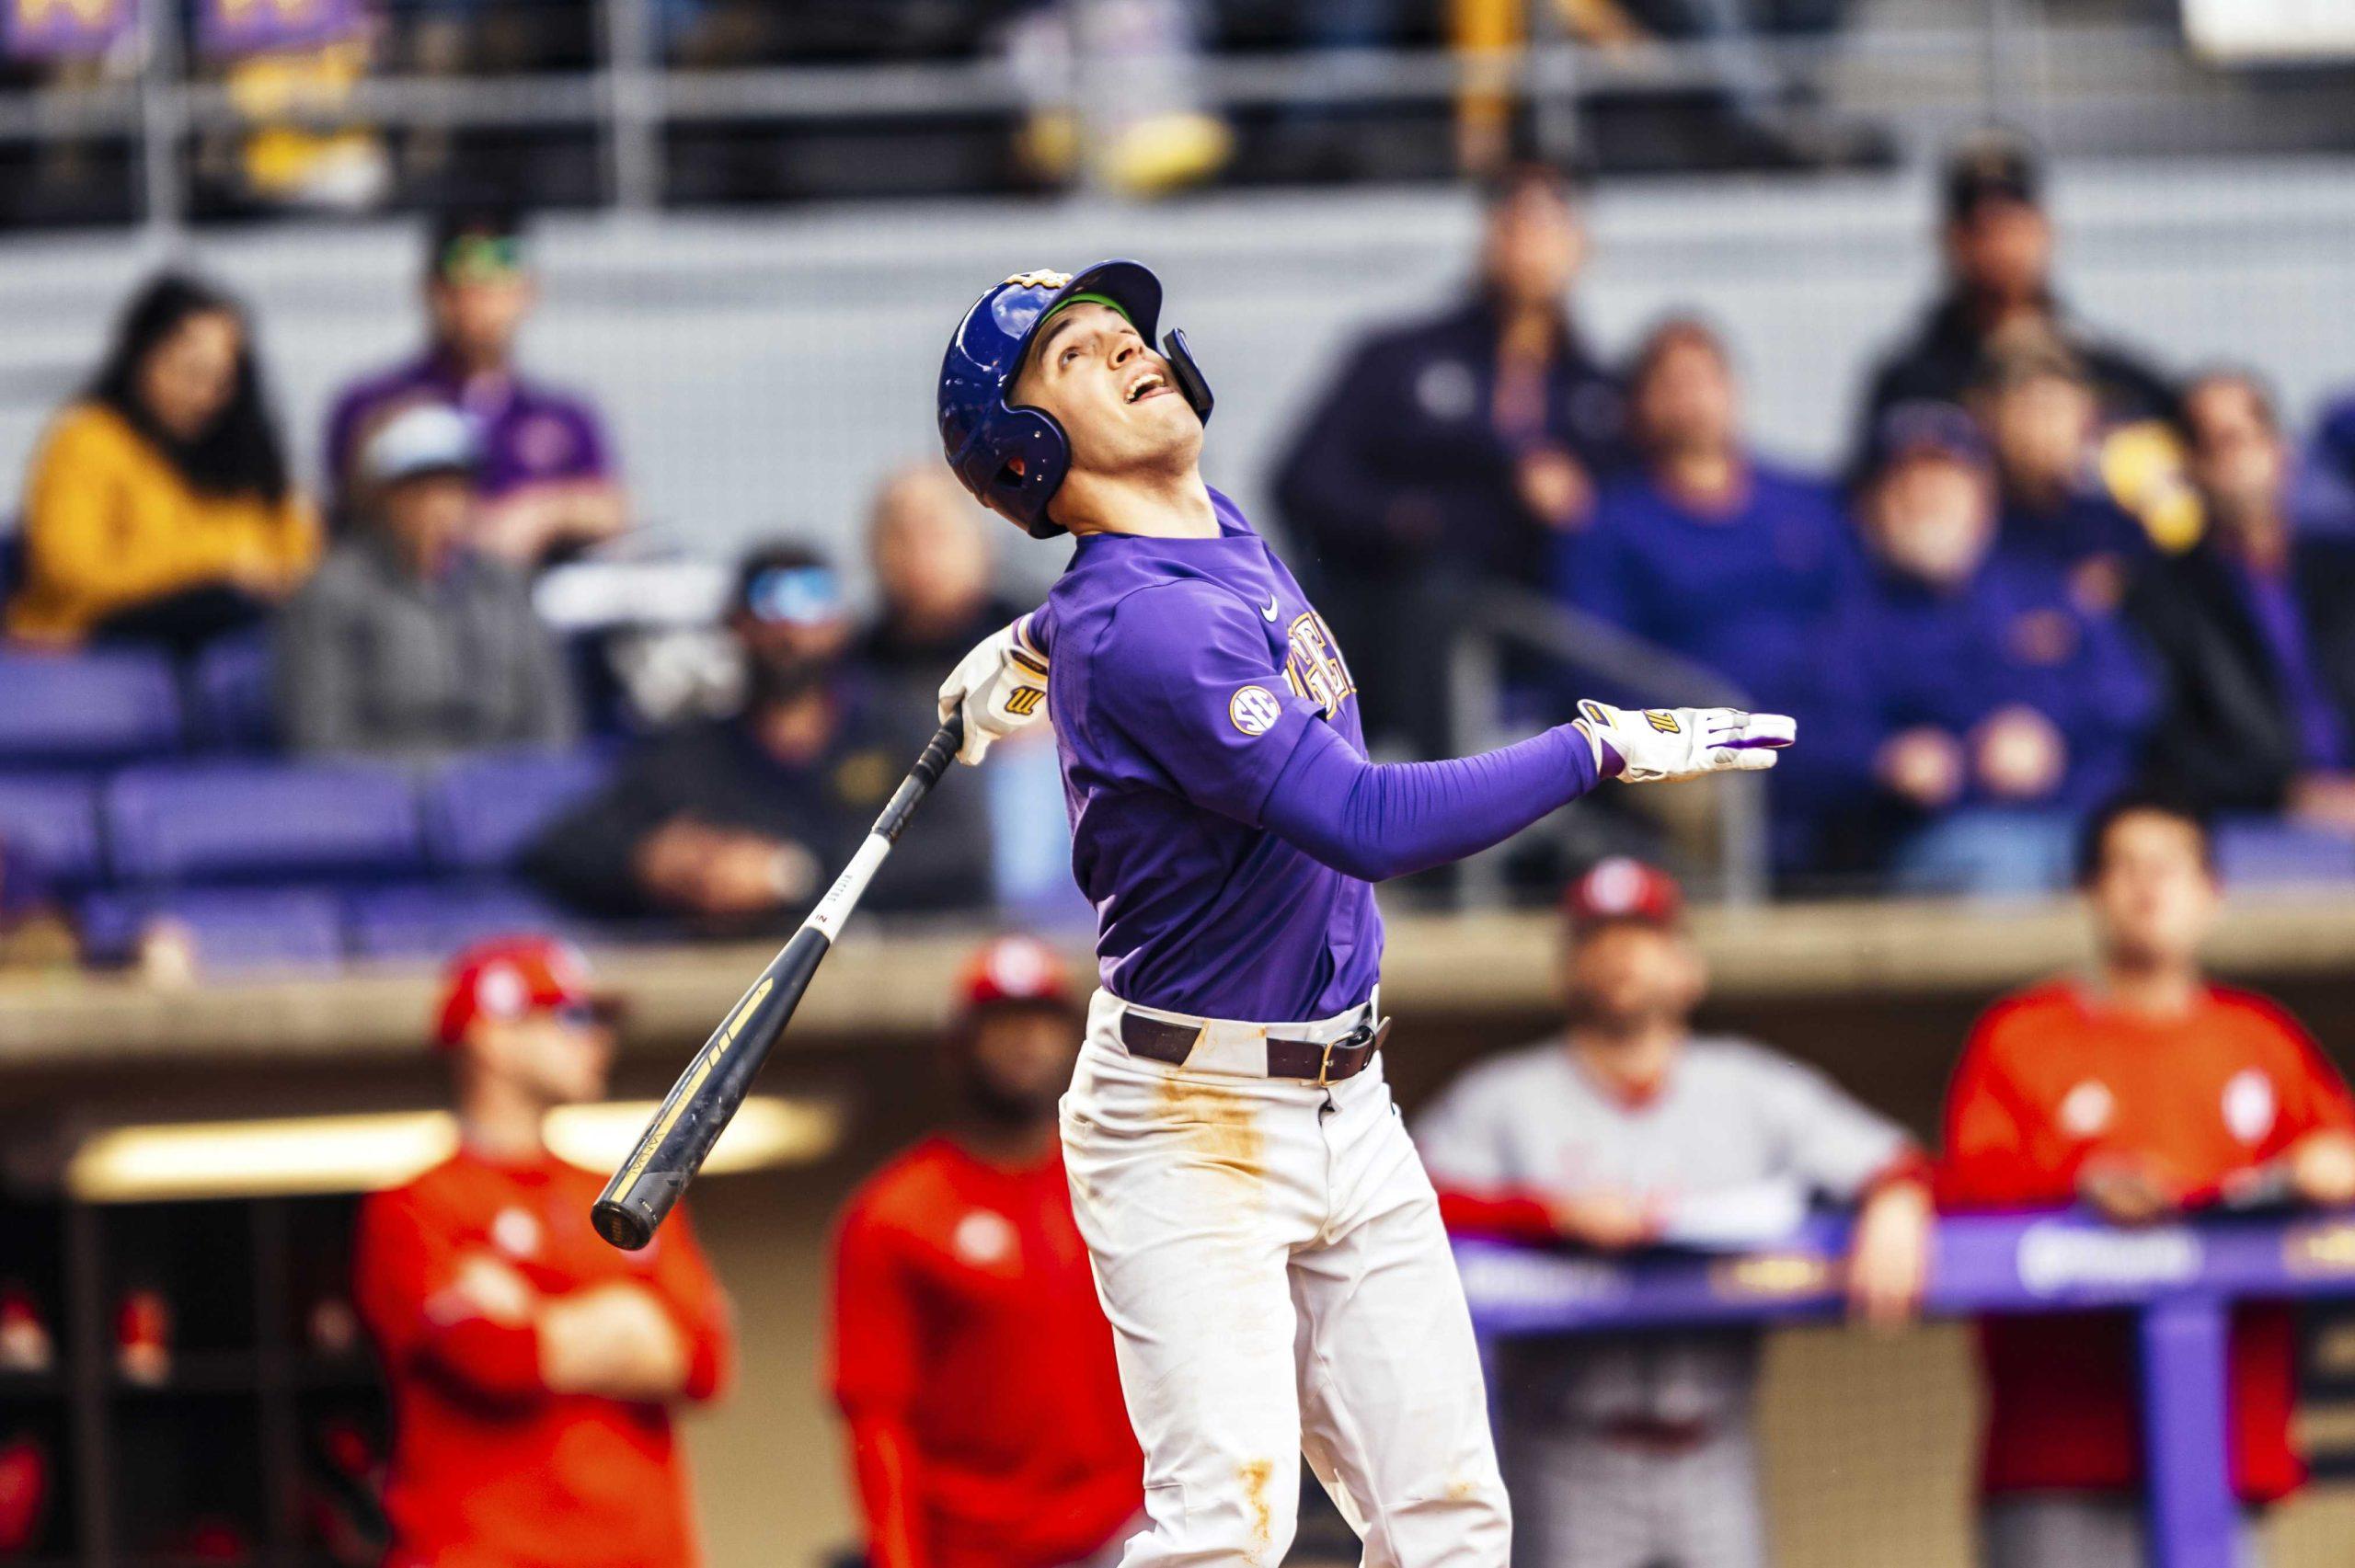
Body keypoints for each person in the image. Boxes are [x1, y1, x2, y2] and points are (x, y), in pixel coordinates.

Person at [931, 259, 1792, 1566]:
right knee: (1223, 1527)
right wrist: (1596, 750)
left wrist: (1034, 634)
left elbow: (1126, 585)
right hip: (1191, 1116)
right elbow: (1367, 823)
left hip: (1347, 1095)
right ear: (1031, 448)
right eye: (1073, 356)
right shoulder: (1147, 631)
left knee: (1448, 1521)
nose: (1125, 350)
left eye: (1123, 333)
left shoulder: (1209, 529)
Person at [1418, 858, 1932, 1568]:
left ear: (1689, 968)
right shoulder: (1503, 1096)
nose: (1622, 955)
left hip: (1715, 1444)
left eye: (1644, 936)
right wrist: (1548, 1214)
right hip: (1569, 1449)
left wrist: (1897, 1196)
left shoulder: (1751, 1084)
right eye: (1598, 938)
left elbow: (1896, 1157)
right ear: (1566, 970)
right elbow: (1403, 1204)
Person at [1940, 795, 2355, 1568]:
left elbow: (2337, 1145)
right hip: (2061, 1449)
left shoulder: (2261, 1037)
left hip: (2224, 1440)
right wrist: (2079, 1181)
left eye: (2170, 866)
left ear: (2212, 892)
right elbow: (1963, 1182)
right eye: (2123, 867)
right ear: (2087, 891)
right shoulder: (2023, 1035)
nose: (2147, 887)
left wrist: (2331, 1167)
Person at [352, 935, 733, 1568]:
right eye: (572, 1018)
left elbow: (702, 1357)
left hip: (639, 1552)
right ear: (492, 1037)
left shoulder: (626, 1190)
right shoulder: (415, 1200)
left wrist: (537, 1313)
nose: (596, 1038)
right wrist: (624, 1318)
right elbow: (495, 1354)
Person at [1274, 160, 1625, 756]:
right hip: (1383, 607)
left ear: (1583, 245)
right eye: (1515, 219)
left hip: (1535, 630)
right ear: (1487, 235)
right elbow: (1303, 479)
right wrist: (1413, 521)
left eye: (1551, 221)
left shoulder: (1602, 399)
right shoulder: (1400, 357)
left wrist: (1576, 508)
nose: (1531, 241)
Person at [829, 935, 1142, 1568]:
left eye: (1041, 1021)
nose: (1024, 1040)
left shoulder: (1131, 1184)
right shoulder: (898, 1211)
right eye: (1000, 1022)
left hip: (1127, 1533)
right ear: (957, 1047)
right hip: (973, 1549)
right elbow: (876, 1416)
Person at [523, 543, 992, 933]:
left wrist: (793, 873)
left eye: (812, 598)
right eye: (769, 601)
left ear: (840, 622)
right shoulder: (691, 755)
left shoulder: (897, 735)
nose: (790, 627)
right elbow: (561, 851)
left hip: (876, 989)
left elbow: (963, 853)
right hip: (721, 996)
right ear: (735, 624)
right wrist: (649, 864)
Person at [1785, 403, 2155, 891]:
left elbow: (2135, 691)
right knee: (1997, 869)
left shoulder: (2042, 590)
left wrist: (2051, 735)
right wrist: (1884, 759)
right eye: (1906, 485)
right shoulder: (1847, 621)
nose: (1926, 497)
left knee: (2170, 859)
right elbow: (1797, 742)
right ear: (1872, 506)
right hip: (1947, 838)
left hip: (2084, 819)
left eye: (1945, 481)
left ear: (1983, 497)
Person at [7, 273, 316, 651]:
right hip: (94, 638)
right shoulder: (85, 438)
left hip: (235, 638)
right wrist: (216, 566)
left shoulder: (244, 446)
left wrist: (269, 577)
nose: (203, 395)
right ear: (141, 355)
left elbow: (299, 556)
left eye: (220, 381)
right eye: (189, 373)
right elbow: (71, 572)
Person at [1560, 315, 1855, 700]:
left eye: (1703, 380)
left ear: (1733, 389)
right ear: (1640, 404)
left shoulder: (1809, 503)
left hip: (1819, 732)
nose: (1691, 400)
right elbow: (1598, 663)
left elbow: (1860, 620)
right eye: (1670, 385)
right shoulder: (1609, 527)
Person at [1854, 131, 2175, 472]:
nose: (2001, 246)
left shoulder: (2121, 380)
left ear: (2046, 232)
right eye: (1982, 230)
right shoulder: (1911, 388)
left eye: (2014, 226)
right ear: (1949, 241)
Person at [321, 211, 625, 565]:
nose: (481, 298)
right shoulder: (377, 402)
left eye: (498, 280)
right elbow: (354, 507)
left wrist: (538, 514)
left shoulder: (564, 414)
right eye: (464, 281)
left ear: (528, 291)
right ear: (432, 291)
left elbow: (612, 508)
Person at [278, 402, 578, 761]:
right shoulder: (330, 594)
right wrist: (437, 789)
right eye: (420, 490)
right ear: (381, 497)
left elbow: (553, 728)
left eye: (454, 488)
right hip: (376, 803)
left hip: (502, 797)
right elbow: (321, 742)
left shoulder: (506, 588)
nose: (440, 507)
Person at [2128, 371, 2355, 831]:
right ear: (2188, 465)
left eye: (2241, 438)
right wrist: (2287, 794)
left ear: (2281, 449)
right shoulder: (2161, 594)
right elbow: (2170, 742)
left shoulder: (2343, 571)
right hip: (2254, 823)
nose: (2231, 460)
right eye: (2210, 443)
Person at [1972, 334, 2153, 597]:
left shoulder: (2119, 524)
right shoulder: (1973, 524)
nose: (2042, 430)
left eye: (2055, 411)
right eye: (2026, 410)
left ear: (2087, 418)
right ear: (1992, 420)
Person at [856, 464, 1028, 694]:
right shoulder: (843, 679)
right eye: (900, 535)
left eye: (936, 534)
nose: (919, 554)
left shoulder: (1042, 650)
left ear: (982, 543)